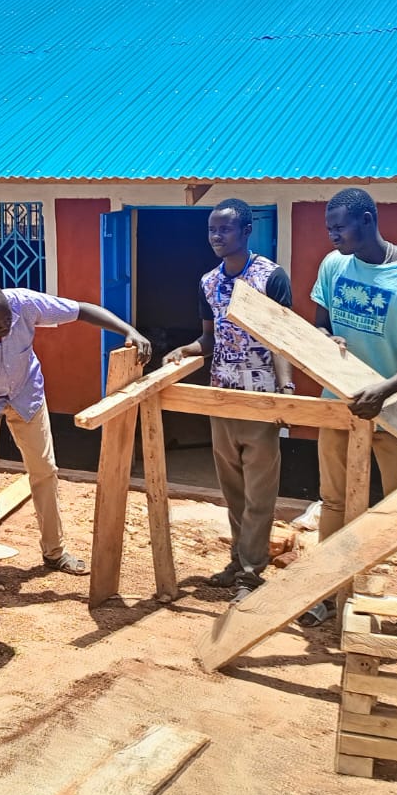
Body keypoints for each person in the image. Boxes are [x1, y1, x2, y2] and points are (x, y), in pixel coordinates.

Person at [303, 188, 397, 629]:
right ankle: (326, 595)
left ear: (367, 220)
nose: (333, 236)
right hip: (339, 405)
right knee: (334, 502)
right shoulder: (334, 266)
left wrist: (385, 390)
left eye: (340, 227)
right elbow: (320, 324)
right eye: (329, 228)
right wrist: (326, 338)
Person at [0, 280, 151, 575]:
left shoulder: (23, 304)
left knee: (45, 470)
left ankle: (54, 552)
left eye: (7, 319)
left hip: (26, 394)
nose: (7, 326)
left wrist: (128, 330)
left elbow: (82, 310)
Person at [164, 200, 294, 595]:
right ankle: (238, 560)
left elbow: (282, 339)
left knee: (259, 491)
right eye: (212, 230)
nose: (216, 237)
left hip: (260, 397)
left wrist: (286, 392)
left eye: (225, 229)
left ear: (247, 231)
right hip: (220, 395)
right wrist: (184, 350)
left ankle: (251, 572)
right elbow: (209, 339)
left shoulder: (270, 277)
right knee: (232, 487)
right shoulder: (208, 282)